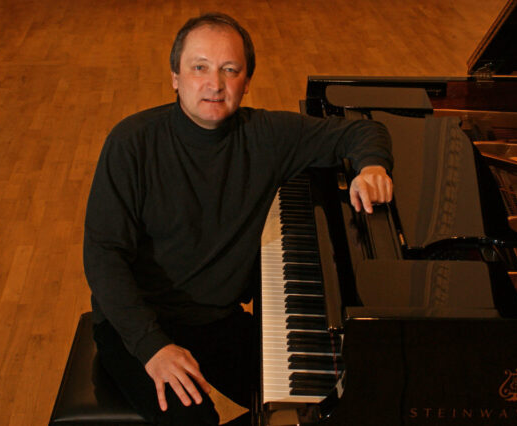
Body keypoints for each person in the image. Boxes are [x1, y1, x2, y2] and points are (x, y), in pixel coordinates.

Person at [84, 12, 393, 426]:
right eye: (199, 68)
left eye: (230, 70)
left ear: (246, 81)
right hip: (136, 324)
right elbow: (103, 257)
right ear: (175, 76)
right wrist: (152, 346)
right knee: (195, 422)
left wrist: (371, 167)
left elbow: (362, 132)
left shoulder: (267, 135)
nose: (215, 84)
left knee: (328, 399)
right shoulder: (131, 143)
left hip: (215, 321)